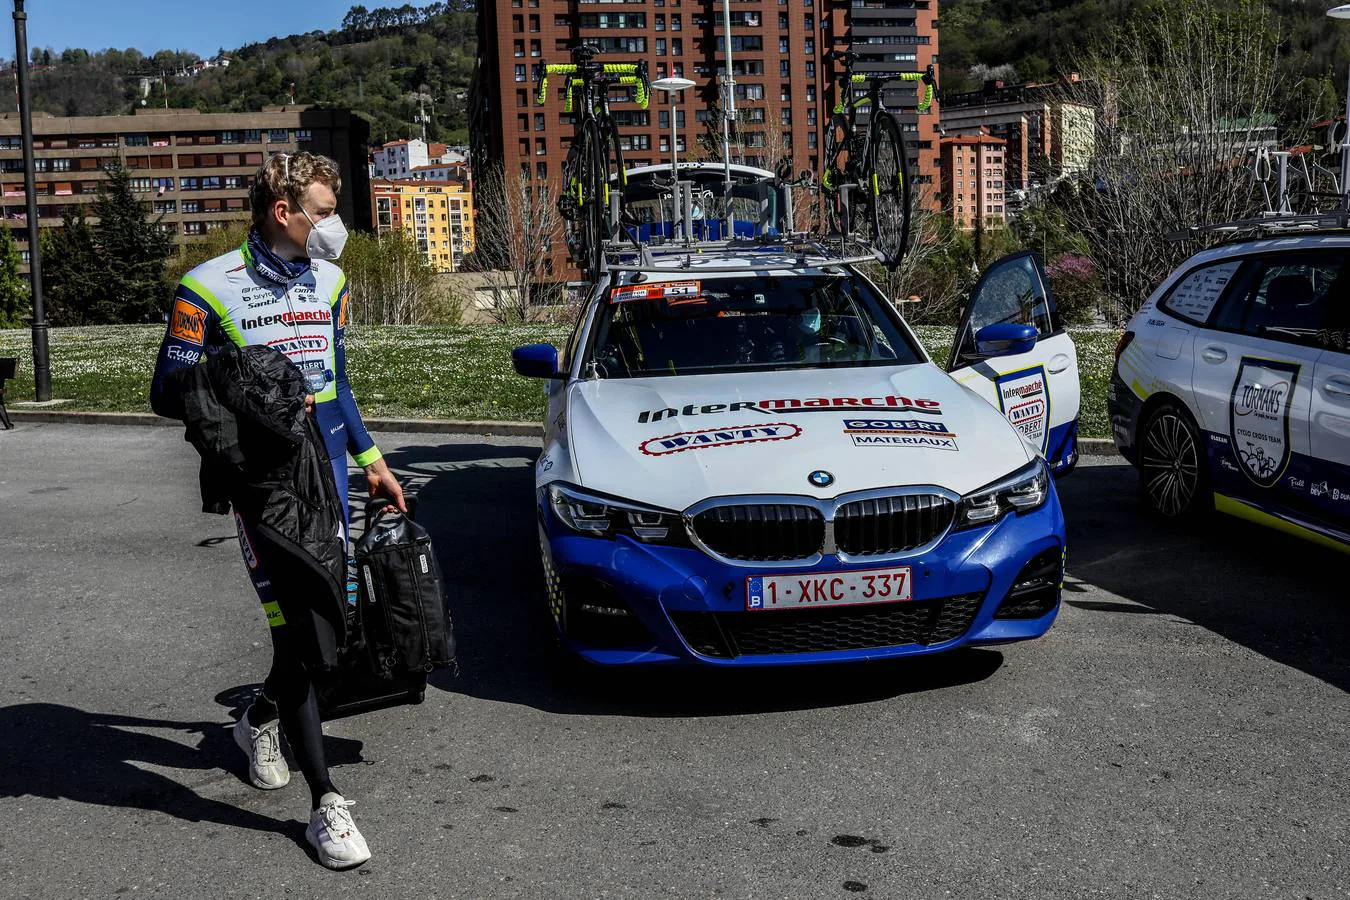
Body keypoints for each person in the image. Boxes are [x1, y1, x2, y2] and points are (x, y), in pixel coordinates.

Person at [150, 152, 405, 870]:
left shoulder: (332, 280)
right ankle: (327, 804)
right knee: (304, 634)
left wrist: (372, 461)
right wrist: (245, 395)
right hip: (264, 485)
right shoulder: (206, 288)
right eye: (324, 212)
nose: (335, 226)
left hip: (328, 474)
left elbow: (338, 383)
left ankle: (260, 718)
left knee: (328, 628)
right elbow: (169, 387)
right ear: (283, 211)